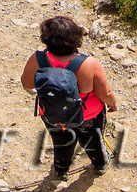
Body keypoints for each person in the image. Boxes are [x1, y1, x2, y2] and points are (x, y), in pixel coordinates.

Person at [19, 12, 116, 181]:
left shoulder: (37, 59)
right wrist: (113, 104)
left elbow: (27, 84)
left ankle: (61, 170)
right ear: (76, 39)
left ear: (46, 39)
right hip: (88, 116)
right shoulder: (90, 64)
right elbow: (105, 93)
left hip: (53, 114)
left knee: (61, 143)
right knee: (93, 141)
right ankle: (99, 164)